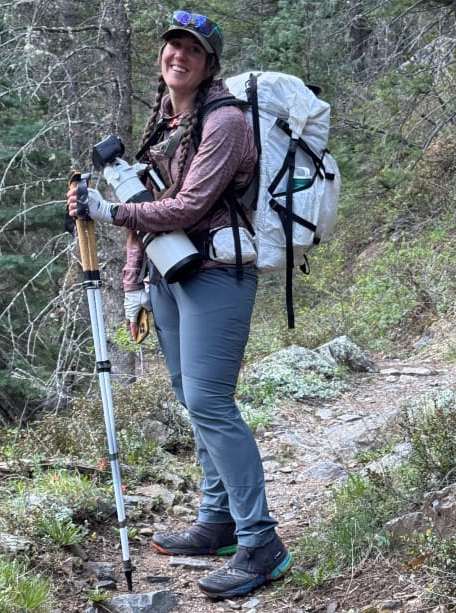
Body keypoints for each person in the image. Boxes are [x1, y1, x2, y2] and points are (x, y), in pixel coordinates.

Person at [66, 9, 292, 599]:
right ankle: (218, 520)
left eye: (191, 49)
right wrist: (133, 284)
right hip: (170, 274)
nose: (178, 56)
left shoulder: (225, 122)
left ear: (208, 62)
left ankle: (260, 540)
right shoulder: (164, 122)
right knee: (189, 398)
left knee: (211, 401)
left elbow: (187, 207)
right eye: (172, 46)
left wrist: (107, 212)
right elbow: (146, 211)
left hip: (218, 273)